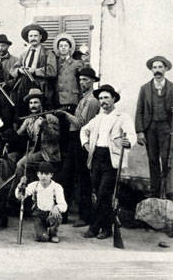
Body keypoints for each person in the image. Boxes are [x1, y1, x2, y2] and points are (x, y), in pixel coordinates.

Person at [80, 84, 136, 239]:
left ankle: (94, 227)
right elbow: (83, 130)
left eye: (106, 97)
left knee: (104, 193)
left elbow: (131, 134)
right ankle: (107, 228)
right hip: (97, 156)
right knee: (99, 194)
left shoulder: (122, 117)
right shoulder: (97, 118)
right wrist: (85, 144)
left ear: (113, 99)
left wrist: (128, 142)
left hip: (112, 159)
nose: (103, 101)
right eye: (100, 98)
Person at [135, 56, 173, 198]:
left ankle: (170, 191)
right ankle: (155, 191)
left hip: (166, 128)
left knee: (167, 158)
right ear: (151, 70)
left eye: (160, 67)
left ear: (165, 69)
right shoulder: (144, 88)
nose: (157, 70)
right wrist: (140, 131)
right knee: (153, 159)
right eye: (155, 67)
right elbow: (139, 110)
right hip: (150, 128)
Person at [56, 67, 100, 227]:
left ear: (93, 81)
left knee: (83, 179)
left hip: (83, 140)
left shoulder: (93, 100)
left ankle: (85, 216)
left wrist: (65, 115)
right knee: (66, 176)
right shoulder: (84, 98)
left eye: (86, 80)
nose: (82, 83)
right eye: (80, 80)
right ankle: (63, 214)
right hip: (74, 139)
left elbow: (82, 123)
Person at [10, 88, 60, 195]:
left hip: (47, 152)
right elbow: (18, 134)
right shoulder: (29, 119)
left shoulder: (50, 118)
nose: (33, 105)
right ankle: (25, 196)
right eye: (31, 103)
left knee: (21, 164)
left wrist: (46, 127)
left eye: (36, 102)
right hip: (34, 150)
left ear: (41, 104)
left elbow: (56, 138)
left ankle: (14, 197)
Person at [10, 24, 57, 117]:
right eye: (30, 36)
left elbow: (52, 71)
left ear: (40, 37)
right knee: (22, 110)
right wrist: (20, 70)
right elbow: (12, 70)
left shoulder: (48, 53)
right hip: (23, 86)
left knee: (39, 112)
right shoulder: (24, 54)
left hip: (39, 85)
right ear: (28, 38)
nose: (33, 38)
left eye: (35, 36)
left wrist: (35, 71)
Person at [16, 162, 67, 243]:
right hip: (39, 216)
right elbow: (20, 196)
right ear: (38, 174)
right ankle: (42, 232)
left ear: (51, 175)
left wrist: (57, 207)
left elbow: (64, 205)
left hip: (51, 215)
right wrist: (21, 185)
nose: (43, 176)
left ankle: (53, 233)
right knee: (43, 238)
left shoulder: (57, 187)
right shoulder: (34, 185)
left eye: (47, 174)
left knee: (57, 216)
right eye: (41, 173)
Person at [53, 33, 85, 111]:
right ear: (58, 49)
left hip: (72, 99)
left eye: (66, 46)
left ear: (70, 48)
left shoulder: (77, 63)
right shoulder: (54, 63)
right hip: (57, 100)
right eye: (61, 46)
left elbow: (84, 75)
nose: (63, 48)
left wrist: (85, 60)